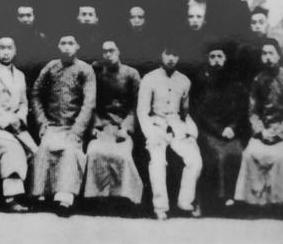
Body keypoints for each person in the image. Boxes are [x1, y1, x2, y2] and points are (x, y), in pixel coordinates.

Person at [31, 34, 96, 217]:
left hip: (73, 127)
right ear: (58, 46)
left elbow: (89, 103)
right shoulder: (51, 67)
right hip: (52, 125)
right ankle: (41, 196)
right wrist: (42, 122)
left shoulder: (85, 70)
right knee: (45, 148)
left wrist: (77, 130)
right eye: (63, 43)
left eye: (71, 43)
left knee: (69, 151)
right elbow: (36, 93)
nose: (67, 47)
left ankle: (64, 198)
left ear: (77, 46)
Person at [137, 44, 202, 220]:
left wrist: (190, 132)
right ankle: (160, 206)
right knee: (158, 162)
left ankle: (185, 201)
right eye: (168, 54)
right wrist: (150, 133)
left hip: (177, 127)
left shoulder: (184, 81)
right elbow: (142, 112)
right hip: (156, 126)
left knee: (195, 160)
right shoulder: (149, 79)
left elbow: (185, 113)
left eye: (175, 54)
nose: (171, 58)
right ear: (161, 55)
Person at [234, 38, 283, 217]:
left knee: (279, 157)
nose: (268, 57)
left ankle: (279, 205)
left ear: (278, 56)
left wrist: (278, 132)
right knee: (249, 154)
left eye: (271, 53)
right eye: (264, 54)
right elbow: (253, 111)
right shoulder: (258, 80)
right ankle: (254, 204)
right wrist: (261, 131)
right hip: (263, 131)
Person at [0, 37, 37, 212]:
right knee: (13, 148)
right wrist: (9, 122)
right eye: (2, 48)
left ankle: (34, 195)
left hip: (17, 126)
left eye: (9, 48)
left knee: (36, 151)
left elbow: (24, 103)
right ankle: (11, 198)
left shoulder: (19, 75)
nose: (5, 52)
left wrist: (20, 118)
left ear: (15, 51)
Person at [84, 40, 143, 207]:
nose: (108, 54)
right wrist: (95, 128)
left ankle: (122, 199)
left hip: (122, 127)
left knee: (122, 156)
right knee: (94, 152)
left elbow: (135, 106)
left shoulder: (132, 74)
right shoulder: (96, 74)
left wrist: (126, 128)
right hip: (103, 126)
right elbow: (91, 103)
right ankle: (98, 199)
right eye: (105, 52)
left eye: (111, 51)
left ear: (119, 51)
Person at [195, 43, 247, 215]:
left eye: (220, 56)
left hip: (230, 132)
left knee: (235, 153)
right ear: (208, 60)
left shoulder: (235, 83)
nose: (216, 60)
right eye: (213, 57)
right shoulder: (202, 83)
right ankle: (211, 203)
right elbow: (201, 113)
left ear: (225, 59)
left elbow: (241, 110)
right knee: (212, 158)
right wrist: (218, 130)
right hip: (209, 132)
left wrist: (232, 128)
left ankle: (231, 200)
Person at [116, 6, 159, 77]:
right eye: (133, 17)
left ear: (145, 20)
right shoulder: (121, 39)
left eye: (140, 17)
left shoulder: (153, 39)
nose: (136, 21)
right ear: (128, 20)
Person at [235, 6, 270, 86]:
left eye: (261, 22)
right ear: (250, 26)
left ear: (267, 25)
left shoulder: (273, 44)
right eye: (254, 23)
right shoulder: (244, 48)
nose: (257, 26)